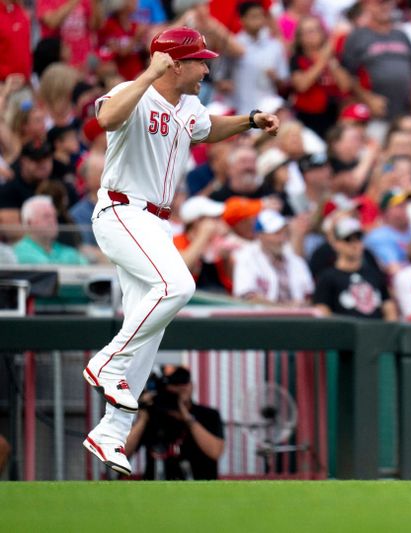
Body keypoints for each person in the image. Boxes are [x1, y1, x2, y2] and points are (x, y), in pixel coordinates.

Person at [81, 27, 280, 477]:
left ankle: (111, 431)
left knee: (151, 329)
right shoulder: (132, 93)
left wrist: (249, 121)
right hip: (121, 210)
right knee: (177, 285)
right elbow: (108, 119)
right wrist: (149, 73)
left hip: (154, 221)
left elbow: (207, 130)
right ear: (174, 62)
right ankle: (107, 361)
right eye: (199, 60)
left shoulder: (188, 105)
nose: (207, 68)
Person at [126, 366, 224, 480]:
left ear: (192, 386)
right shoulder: (153, 415)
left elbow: (215, 451)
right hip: (158, 489)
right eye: (174, 386)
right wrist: (143, 417)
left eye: (184, 385)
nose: (180, 389)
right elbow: (123, 453)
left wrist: (187, 417)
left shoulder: (208, 415)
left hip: (200, 487)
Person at [313, 216, 397, 319]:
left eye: (358, 239)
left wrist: (388, 333)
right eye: (348, 240)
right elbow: (323, 312)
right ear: (336, 244)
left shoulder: (374, 274)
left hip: (376, 332)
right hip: (344, 333)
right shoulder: (327, 278)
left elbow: (389, 309)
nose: (355, 244)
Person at [232, 209, 314, 305]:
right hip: (261, 317)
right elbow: (246, 297)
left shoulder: (295, 259)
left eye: (284, 233)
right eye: (276, 233)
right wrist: (284, 308)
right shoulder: (246, 256)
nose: (282, 238)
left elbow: (309, 295)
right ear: (260, 235)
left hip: (298, 317)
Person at [13, 195, 88, 265]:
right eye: (46, 216)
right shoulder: (19, 252)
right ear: (29, 223)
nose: (53, 220)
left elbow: (86, 268)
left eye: (54, 216)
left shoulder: (67, 251)